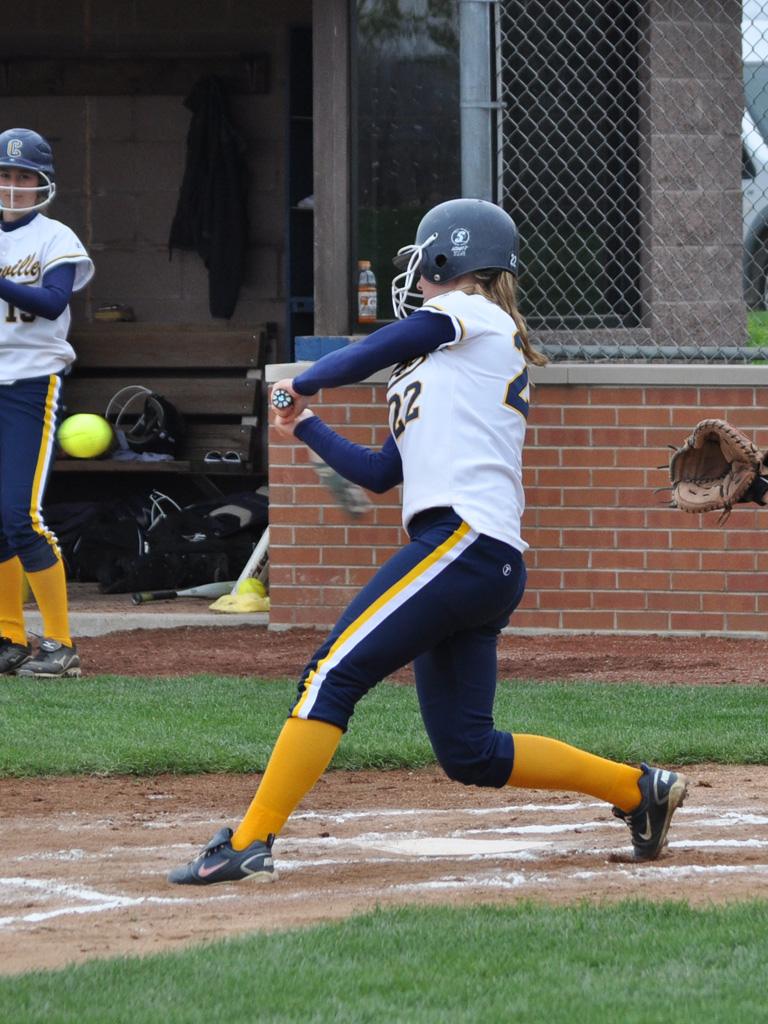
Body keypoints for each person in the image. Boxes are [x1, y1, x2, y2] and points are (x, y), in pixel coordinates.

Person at [168, 198, 688, 885]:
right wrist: (311, 428)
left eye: (422, 263)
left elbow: (376, 348)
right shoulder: (439, 361)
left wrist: (310, 377)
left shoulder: (473, 313)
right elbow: (385, 472)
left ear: (451, 260)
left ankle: (251, 838)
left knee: (331, 674)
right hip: (479, 558)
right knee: (469, 751)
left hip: (464, 542)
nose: (414, 279)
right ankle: (637, 790)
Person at [0, 128, 94, 678]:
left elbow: (52, 300)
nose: (12, 186)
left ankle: (60, 644)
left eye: (24, 177)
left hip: (32, 381)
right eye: (4, 175)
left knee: (20, 514)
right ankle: (10, 636)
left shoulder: (55, 236)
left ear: (43, 184)